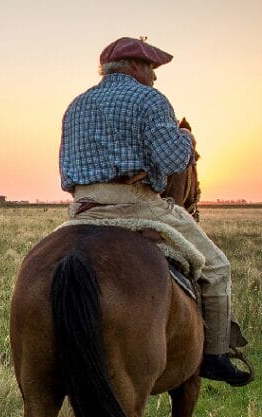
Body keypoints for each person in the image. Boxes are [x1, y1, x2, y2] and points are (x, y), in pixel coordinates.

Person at [59, 36, 251, 386]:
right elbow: (173, 160)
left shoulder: (77, 104)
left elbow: (65, 169)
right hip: (138, 204)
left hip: (84, 209)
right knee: (217, 267)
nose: (155, 76)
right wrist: (187, 141)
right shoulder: (150, 100)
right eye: (151, 68)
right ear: (134, 67)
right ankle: (215, 355)